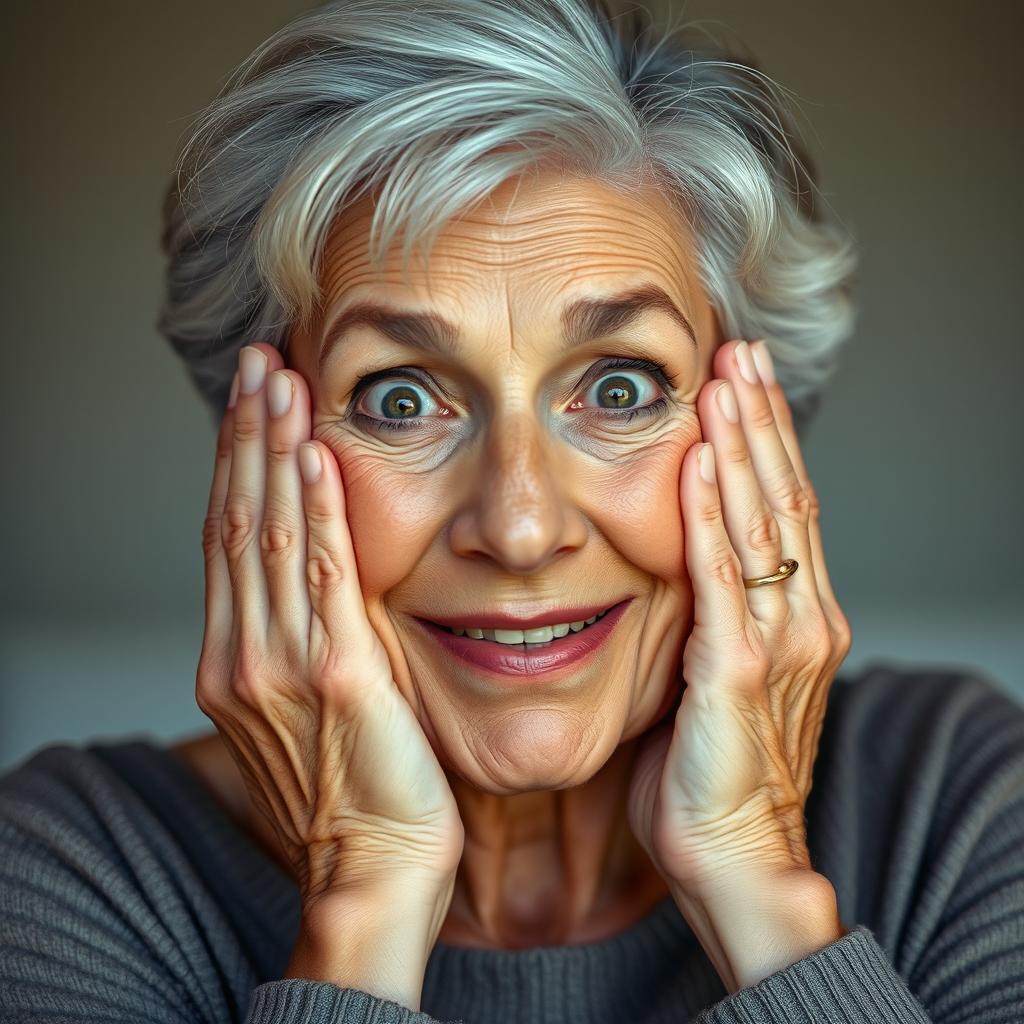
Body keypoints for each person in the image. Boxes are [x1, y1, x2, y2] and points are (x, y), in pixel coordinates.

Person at [2, 1, 1022, 1022]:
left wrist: (758, 878)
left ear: (756, 430)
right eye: (400, 400)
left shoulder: (959, 801)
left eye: (619, 388)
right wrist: (363, 895)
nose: (522, 529)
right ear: (256, 450)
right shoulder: (69, 876)